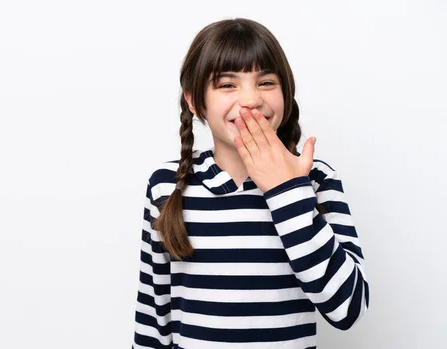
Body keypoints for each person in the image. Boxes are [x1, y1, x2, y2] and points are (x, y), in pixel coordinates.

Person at [131, 18, 369, 348]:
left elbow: (348, 309)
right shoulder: (166, 187)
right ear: (194, 101)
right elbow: (153, 318)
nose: (250, 100)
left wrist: (287, 192)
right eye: (227, 85)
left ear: (286, 93)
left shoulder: (316, 179)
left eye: (266, 82)